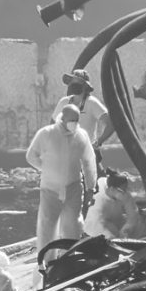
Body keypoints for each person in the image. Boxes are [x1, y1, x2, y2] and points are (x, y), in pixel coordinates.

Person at [26, 104, 98, 261]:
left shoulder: (82, 136)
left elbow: (89, 162)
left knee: (73, 225)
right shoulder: (46, 134)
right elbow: (31, 156)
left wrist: (91, 188)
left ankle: (69, 258)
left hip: (73, 187)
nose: (74, 122)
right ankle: (47, 261)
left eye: (76, 120)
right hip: (50, 189)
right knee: (47, 226)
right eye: (71, 119)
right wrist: (45, 169)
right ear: (62, 118)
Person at [53, 69, 116, 156]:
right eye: (72, 81)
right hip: (65, 154)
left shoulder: (92, 103)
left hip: (86, 154)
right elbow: (52, 125)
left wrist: (98, 142)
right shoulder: (64, 102)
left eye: (77, 82)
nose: (73, 84)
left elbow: (111, 124)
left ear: (85, 86)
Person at [83, 169, 140, 239]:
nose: (125, 193)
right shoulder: (98, 200)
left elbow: (133, 216)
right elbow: (96, 224)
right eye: (122, 191)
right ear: (112, 189)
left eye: (126, 189)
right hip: (96, 233)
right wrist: (110, 237)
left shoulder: (125, 195)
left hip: (117, 226)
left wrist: (127, 228)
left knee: (140, 221)